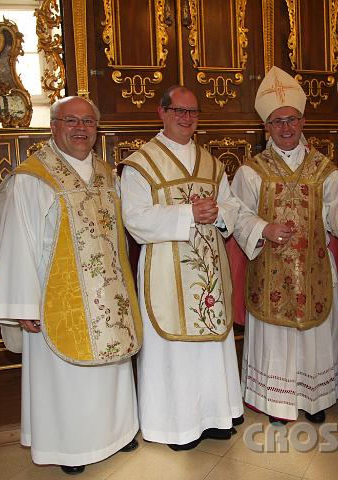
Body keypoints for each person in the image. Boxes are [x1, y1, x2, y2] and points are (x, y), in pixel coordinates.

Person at [0, 96, 141, 475]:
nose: (80, 128)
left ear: (96, 128)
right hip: (58, 299)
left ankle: (117, 434)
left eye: (88, 121)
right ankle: (70, 448)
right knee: (65, 380)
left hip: (107, 294)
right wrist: (24, 305)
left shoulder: (107, 173)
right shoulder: (32, 177)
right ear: (53, 126)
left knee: (112, 370)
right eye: (70, 120)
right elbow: (17, 241)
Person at [120, 85, 244, 450]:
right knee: (172, 348)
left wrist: (220, 213)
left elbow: (231, 206)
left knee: (211, 346)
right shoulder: (141, 163)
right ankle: (177, 426)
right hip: (165, 272)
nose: (187, 118)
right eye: (179, 111)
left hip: (208, 270)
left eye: (193, 112)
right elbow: (134, 218)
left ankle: (218, 416)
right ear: (162, 113)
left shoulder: (212, 163)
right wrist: (187, 214)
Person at [231, 66, 338, 424]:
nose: (286, 128)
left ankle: (314, 400)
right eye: (278, 121)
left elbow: (337, 222)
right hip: (270, 269)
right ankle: (278, 404)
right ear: (267, 126)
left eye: (292, 120)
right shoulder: (252, 171)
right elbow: (237, 214)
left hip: (313, 269)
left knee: (315, 337)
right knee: (276, 339)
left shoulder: (326, 170)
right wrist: (263, 229)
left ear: (302, 122)